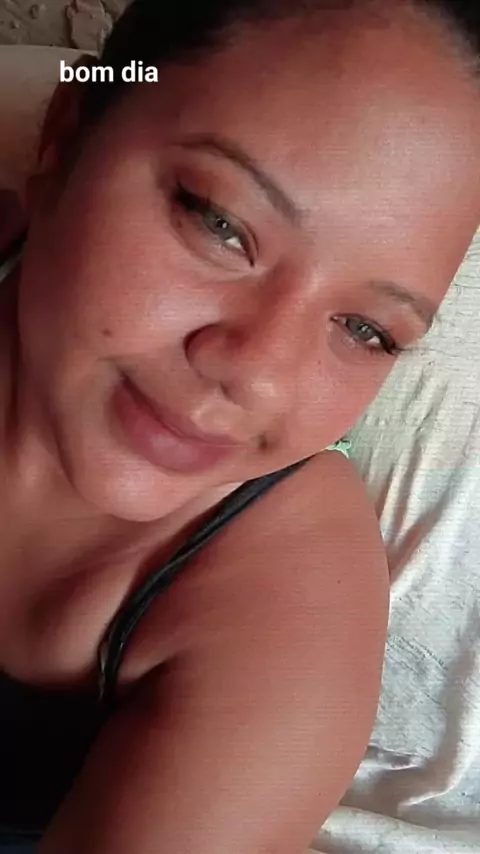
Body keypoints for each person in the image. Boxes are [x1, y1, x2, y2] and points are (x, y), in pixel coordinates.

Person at [0, 1, 479, 852]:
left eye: (366, 330)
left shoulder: (287, 610)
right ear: (63, 141)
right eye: (219, 222)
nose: (258, 373)